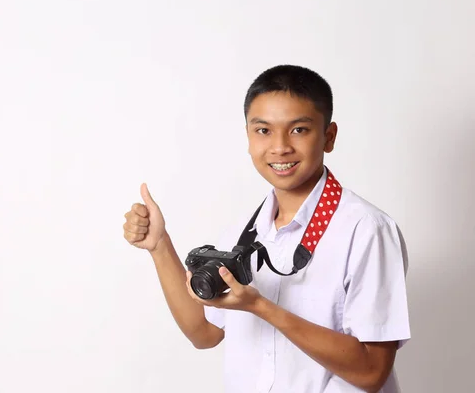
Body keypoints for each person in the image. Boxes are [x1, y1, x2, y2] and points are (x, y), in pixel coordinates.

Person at [122, 64, 411, 393]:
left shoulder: (367, 230)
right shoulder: (243, 232)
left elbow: (372, 372)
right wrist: (160, 245)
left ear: (329, 137)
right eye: (263, 131)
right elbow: (204, 333)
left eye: (299, 130)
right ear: (247, 137)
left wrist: (261, 307)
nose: (280, 147)